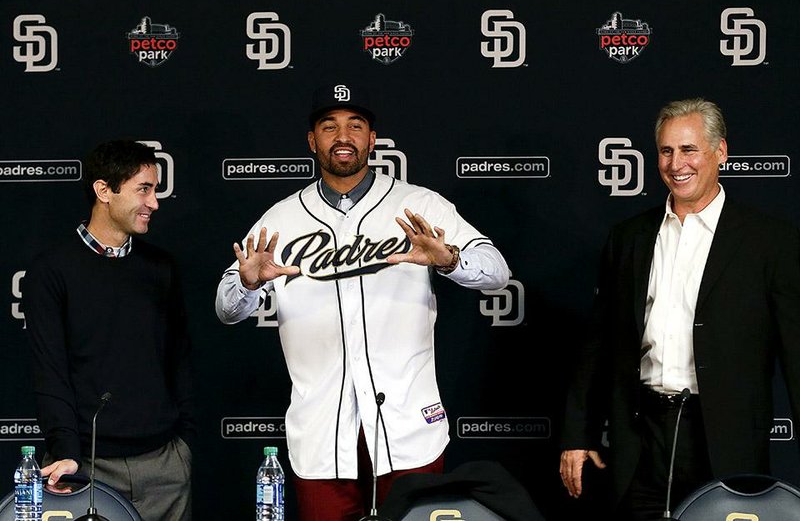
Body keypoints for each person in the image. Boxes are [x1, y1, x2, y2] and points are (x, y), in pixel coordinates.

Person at [215, 83, 510, 521]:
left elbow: (496, 270)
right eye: (329, 126)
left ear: (373, 139)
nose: (343, 136)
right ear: (312, 141)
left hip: (408, 424)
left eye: (356, 125)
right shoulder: (282, 219)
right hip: (321, 429)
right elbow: (226, 308)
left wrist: (449, 260)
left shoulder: (419, 204)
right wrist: (248, 281)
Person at [559, 98, 800, 520]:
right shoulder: (629, 238)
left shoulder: (770, 242)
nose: (676, 164)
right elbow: (597, 345)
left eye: (688, 150)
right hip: (642, 436)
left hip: (727, 441)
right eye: (666, 151)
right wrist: (577, 435)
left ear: (720, 152)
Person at [24, 140, 195, 520]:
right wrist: (66, 451)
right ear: (104, 191)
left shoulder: (161, 267)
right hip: (86, 468)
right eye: (144, 189)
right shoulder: (51, 270)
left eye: (155, 189)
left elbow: (179, 361)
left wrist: (183, 447)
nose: (154, 203)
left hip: (165, 467)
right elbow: (49, 371)